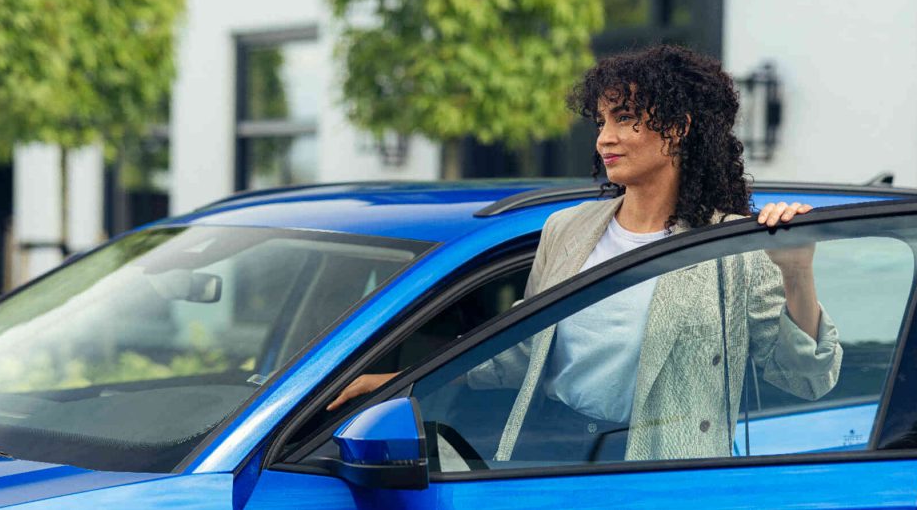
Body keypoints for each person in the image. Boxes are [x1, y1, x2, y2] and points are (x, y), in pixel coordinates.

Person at [328, 45, 841, 463]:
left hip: (659, 464)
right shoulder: (567, 230)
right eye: (600, 121)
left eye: (624, 119)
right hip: (547, 450)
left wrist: (797, 274)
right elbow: (517, 353)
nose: (605, 138)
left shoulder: (731, 246)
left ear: (679, 128)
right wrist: (404, 381)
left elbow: (807, 379)